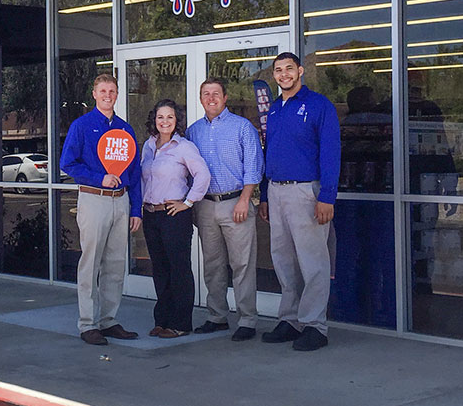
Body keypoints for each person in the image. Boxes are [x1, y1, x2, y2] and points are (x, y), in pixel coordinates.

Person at [258, 52, 341, 351]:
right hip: (277, 191)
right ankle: (290, 319)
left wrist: (327, 196)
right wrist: (265, 194)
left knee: (313, 262)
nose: (283, 75)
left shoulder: (319, 106)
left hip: (307, 192)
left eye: (289, 69)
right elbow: (270, 154)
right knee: (284, 261)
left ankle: (315, 325)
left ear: (300, 71)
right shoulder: (276, 109)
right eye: (278, 70)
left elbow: (331, 153)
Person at [59, 73, 143, 345]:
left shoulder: (125, 129)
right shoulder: (82, 126)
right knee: (91, 262)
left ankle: (109, 320)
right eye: (103, 91)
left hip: (121, 200)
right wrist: (99, 178)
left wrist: (136, 210)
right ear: (94, 94)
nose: (108, 95)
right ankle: (88, 324)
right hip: (94, 198)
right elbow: (67, 164)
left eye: (112, 91)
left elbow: (136, 172)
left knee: (116, 264)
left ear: (117, 95)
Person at [185, 77, 264, 341]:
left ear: (225, 97)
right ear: (200, 98)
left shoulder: (242, 128)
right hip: (206, 205)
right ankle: (217, 316)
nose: (211, 98)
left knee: (242, 264)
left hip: (236, 203)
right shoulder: (193, 132)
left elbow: (254, 166)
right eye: (206, 94)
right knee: (213, 264)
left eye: (216, 93)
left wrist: (245, 199)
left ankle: (247, 320)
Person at [139, 98, 211, 338]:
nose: (165, 121)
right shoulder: (148, 146)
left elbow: (202, 175)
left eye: (170, 117)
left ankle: (180, 324)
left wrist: (188, 203)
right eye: (161, 117)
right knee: (160, 269)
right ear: (154, 120)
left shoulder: (184, 147)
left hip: (174, 215)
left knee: (179, 269)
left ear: (177, 120)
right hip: (151, 215)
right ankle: (163, 320)